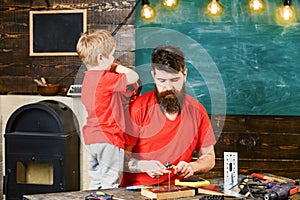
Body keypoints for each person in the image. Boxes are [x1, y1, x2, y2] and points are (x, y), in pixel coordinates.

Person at [122, 45, 216, 187]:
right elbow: (120, 159)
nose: (168, 88)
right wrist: (143, 166)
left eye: (174, 80)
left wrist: (192, 167)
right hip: (138, 191)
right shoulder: (137, 109)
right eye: (162, 81)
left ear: (185, 74)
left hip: (179, 190)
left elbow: (209, 158)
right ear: (153, 76)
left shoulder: (197, 111)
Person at [76, 29, 139, 189]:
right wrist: (116, 67)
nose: (113, 59)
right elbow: (133, 76)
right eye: (112, 56)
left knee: (96, 181)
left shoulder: (87, 80)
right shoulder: (105, 78)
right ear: (101, 58)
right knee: (111, 182)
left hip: (91, 139)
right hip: (109, 138)